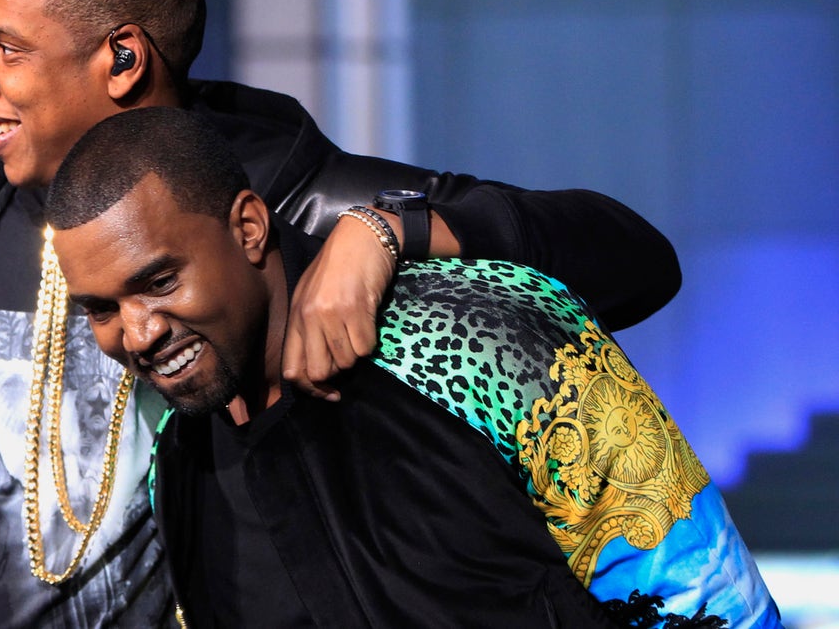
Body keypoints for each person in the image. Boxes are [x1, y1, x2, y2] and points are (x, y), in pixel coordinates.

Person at [0, 0, 683, 626]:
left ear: (122, 57)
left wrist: (387, 230)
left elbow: (635, 259)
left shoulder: (291, 201)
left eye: (9, 48)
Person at [46, 106, 781, 628]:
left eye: (160, 281)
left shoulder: (470, 332)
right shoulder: (178, 463)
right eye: (101, 308)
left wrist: (391, 225)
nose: (135, 333)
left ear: (247, 226)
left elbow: (706, 602)